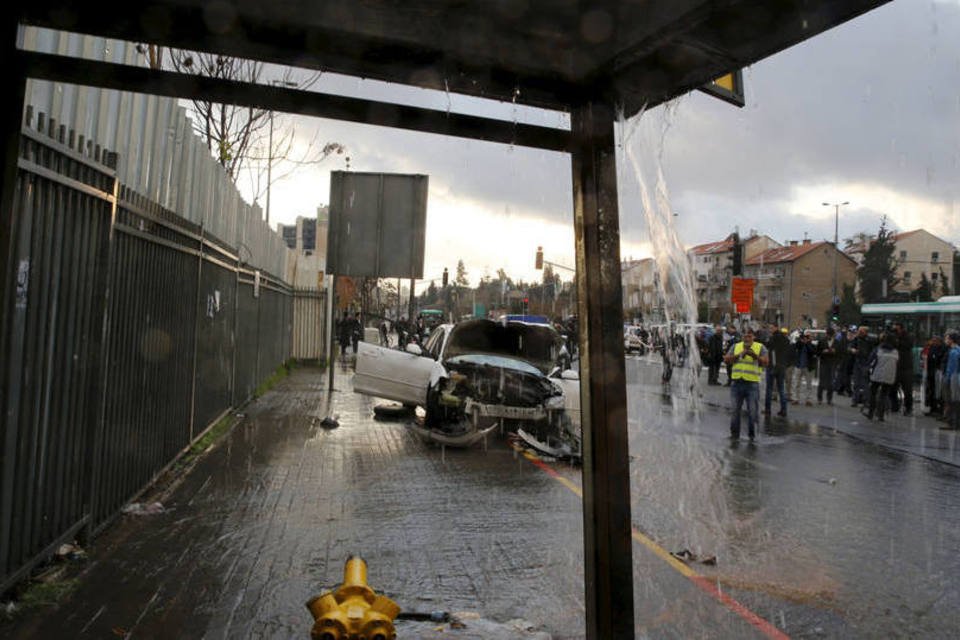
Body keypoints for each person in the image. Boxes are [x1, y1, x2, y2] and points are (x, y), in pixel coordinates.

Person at [723, 327, 769, 441]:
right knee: (734, 411)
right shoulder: (736, 346)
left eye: (749, 336)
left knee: (752, 411)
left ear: (754, 337)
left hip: (752, 384)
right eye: (745, 336)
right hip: (737, 383)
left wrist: (755, 356)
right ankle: (734, 435)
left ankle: (752, 435)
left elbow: (766, 362)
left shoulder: (760, 347)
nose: (747, 338)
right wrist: (739, 355)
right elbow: (726, 359)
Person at [864, 332, 899, 422]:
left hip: (877, 375)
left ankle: (871, 413)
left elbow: (870, 360)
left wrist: (868, 370)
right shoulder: (895, 351)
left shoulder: (878, 349)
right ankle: (881, 415)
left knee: (873, 393)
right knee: (883, 395)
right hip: (889, 376)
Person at [763, 323, 791, 417]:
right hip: (782, 366)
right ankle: (784, 410)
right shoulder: (785, 339)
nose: (770, 329)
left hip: (772, 366)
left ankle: (767, 409)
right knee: (781, 389)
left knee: (769, 389)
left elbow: (768, 346)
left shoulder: (773, 338)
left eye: (771, 328)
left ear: (776, 328)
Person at [890, 322, 914, 416]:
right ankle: (894, 406)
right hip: (895, 366)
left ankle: (908, 408)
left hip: (906, 366)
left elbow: (908, 345)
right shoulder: (893, 336)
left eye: (897, 328)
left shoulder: (908, 336)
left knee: (907, 390)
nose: (896, 330)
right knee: (892, 388)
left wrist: (897, 339)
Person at [849, 326, 875, 407]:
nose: (859, 333)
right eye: (859, 331)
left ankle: (866, 400)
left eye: (861, 331)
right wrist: (852, 350)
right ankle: (855, 400)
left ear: (866, 332)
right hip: (858, 361)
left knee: (865, 383)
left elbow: (872, 351)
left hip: (865, 362)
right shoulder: (856, 339)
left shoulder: (870, 340)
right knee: (856, 383)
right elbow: (850, 347)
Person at [791, 331, 817, 406]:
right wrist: (801, 340)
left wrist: (807, 343)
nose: (806, 338)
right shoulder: (799, 344)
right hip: (798, 365)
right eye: (805, 337)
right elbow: (795, 346)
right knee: (796, 383)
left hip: (808, 367)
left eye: (808, 337)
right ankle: (795, 399)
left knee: (809, 384)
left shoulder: (812, 345)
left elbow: (812, 352)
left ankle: (808, 400)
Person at [941, 332, 960, 430]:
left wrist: (946, 379)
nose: (945, 340)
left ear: (951, 340)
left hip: (953, 378)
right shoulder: (958, 350)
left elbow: (951, 368)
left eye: (947, 338)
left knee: (951, 401)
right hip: (957, 378)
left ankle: (952, 423)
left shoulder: (953, 352)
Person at [923, 335, 946, 416]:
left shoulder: (942, 348)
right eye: (933, 340)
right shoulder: (932, 347)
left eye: (935, 341)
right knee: (932, 391)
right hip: (931, 372)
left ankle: (937, 409)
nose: (933, 342)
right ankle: (933, 408)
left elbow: (937, 359)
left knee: (938, 392)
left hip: (936, 372)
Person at [816, 327, 839, 405]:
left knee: (831, 382)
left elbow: (840, 352)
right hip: (823, 363)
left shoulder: (837, 342)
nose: (828, 336)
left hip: (832, 363)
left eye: (830, 335)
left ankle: (829, 399)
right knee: (821, 381)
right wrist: (823, 351)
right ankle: (819, 398)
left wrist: (835, 351)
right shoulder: (821, 341)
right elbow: (817, 352)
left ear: (832, 335)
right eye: (827, 335)